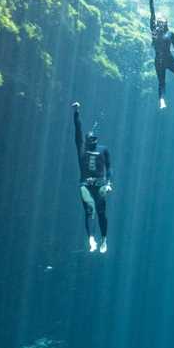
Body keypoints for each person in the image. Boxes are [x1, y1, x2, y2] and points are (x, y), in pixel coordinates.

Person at [72, 102, 113, 253]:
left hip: (97, 186)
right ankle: (95, 239)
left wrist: (108, 182)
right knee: (92, 212)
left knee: (97, 213)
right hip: (89, 186)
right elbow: (78, 131)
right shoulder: (84, 149)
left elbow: (109, 168)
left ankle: (100, 239)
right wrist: (76, 113)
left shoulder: (100, 150)